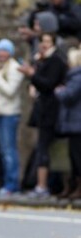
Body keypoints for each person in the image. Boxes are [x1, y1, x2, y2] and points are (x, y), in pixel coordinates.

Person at [19, 32, 68, 197]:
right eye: (42, 41)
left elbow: (47, 84)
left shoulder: (56, 61)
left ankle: (42, 185)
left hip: (50, 112)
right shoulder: (42, 60)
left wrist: (32, 75)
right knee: (42, 148)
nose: (44, 44)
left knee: (44, 149)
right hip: (43, 111)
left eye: (47, 41)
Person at [0, 39, 24, 198]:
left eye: (5, 50)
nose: (1, 54)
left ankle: (12, 185)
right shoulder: (1, 68)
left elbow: (10, 91)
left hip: (10, 114)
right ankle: (7, 183)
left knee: (9, 151)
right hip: (0, 112)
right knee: (4, 151)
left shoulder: (15, 68)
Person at [55, 47, 81, 199]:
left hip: (76, 123)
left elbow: (69, 95)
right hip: (73, 123)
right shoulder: (73, 77)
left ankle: (77, 186)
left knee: (77, 157)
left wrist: (60, 92)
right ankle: (72, 185)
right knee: (72, 156)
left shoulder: (77, 78)